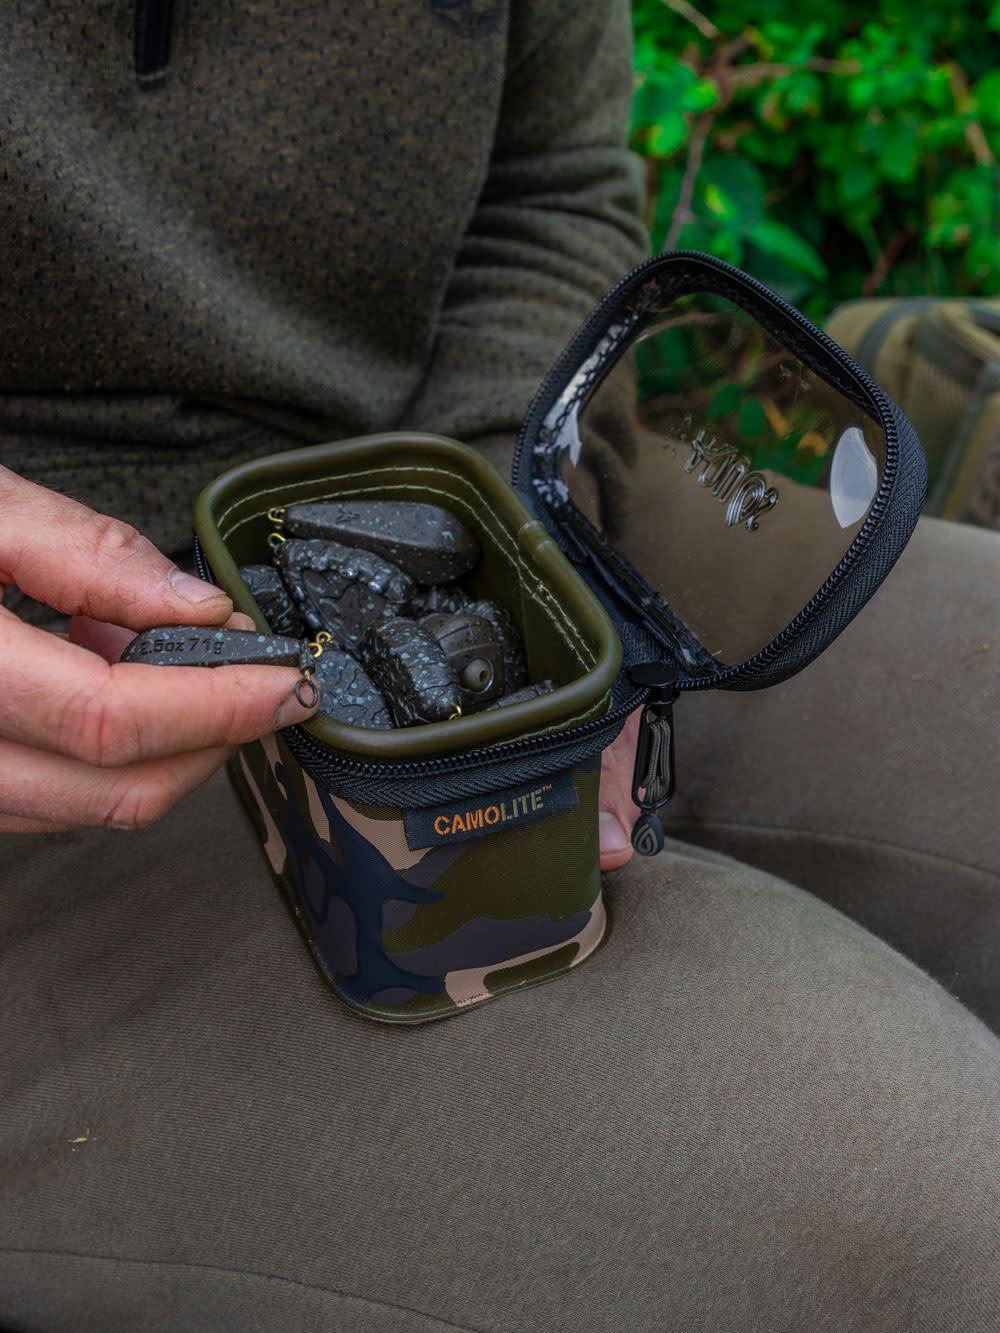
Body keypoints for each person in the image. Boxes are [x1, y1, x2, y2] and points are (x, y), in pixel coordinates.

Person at [2, 2, 999, 1329]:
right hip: (39, 737)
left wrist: (513, 548)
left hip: (468, 482)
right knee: (930, 1218)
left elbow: (553, 182)